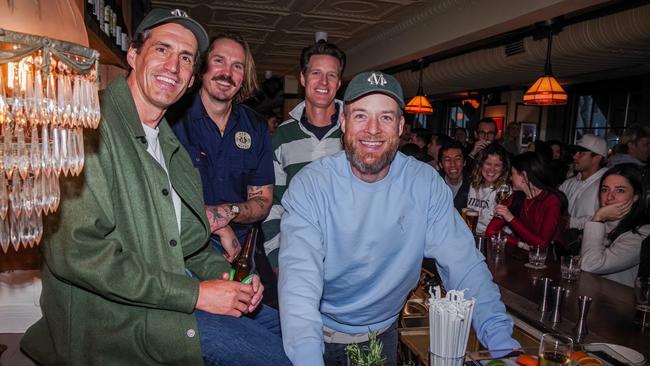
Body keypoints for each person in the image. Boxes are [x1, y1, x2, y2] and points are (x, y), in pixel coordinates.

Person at [21, 9, 290, 366]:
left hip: (169, 299)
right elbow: (78, 253)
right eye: (162, 50)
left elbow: (190, 246)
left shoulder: (170, 145)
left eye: (185, 59)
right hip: (119, 323)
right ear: (133, 55)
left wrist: (231, 278)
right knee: (275, 358)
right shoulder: (86, 126)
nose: (173, 67)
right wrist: (197, 293)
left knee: (293, 335)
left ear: (192, 78)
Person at [278, 71, 520, 366]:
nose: (373, 130)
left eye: (386, 118)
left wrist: (502, 344)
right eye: (361, 116)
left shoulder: (425, 184)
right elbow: (299, 282)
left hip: (383, 334)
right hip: (315, 336)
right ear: (343, 122)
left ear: (401, 126)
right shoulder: (311, 185)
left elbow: (463, 265)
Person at [171, 32, 278, 307]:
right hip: (184, 246)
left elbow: (263, 201)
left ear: (244, 76)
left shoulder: (255, 126)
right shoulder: (171, 118)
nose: (227, 73)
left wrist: (226, 215)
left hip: (243, 250)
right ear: (202, 66)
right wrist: (217, 227)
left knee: (274, 319)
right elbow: (159, 193)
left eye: (237, 66)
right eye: (219, 61)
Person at [261, 40, 346, 271]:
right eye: (316, 73)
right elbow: (274, 204)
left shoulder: (356, 130)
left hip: (349, 259)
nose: (323, 82)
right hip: (297, 258)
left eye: (331, 75)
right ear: (302, 78)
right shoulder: (281, 136)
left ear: (338, 83)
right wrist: (277, 259)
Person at [580, 164, 650, 287]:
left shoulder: (643, 233)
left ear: (636, 196)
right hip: (590, 294)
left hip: (618, 303)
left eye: (620, 190)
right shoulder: (603, 221)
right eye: (604, 189)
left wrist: (598, 218)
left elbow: (590, 265)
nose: (609, 197)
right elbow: (570, 221)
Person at [485, 152, 568, 249]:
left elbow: (542, 244)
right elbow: (490, 232)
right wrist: (520, 244)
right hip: (524, 257)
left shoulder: (551, 201)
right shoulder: (517, 197)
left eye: (512, 174)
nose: (510, 178)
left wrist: (511, 219)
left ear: (524, 176)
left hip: (547, 260)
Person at [559, 134, 609, 231]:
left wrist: (571, 222)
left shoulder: (606, 184)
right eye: (575, 152)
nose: (574, 156)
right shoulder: (568, 183)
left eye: (581, 153)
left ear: (597, 157)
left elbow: (608, 219)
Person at [467, 143, 511, 236]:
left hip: (494, 239)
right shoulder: (472, 185)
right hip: (470, 237)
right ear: (481, 164)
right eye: (488, 164)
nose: (491, 169)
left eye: (497, 165)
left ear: (503, 168)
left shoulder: (505, 191)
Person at [438, 140, 471, 212]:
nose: (453, 164)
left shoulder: (473, 184)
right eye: (447, 160)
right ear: (440, 164)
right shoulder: (435, 183)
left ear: (464, 162)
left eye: (457, 159)